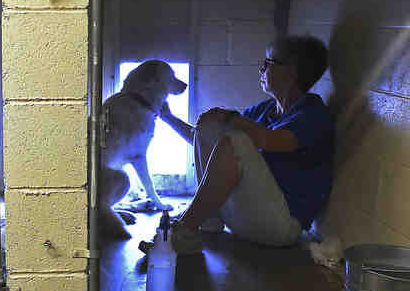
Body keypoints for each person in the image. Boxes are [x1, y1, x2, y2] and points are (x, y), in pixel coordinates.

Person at [143, 35, 334, 254]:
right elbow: (206, 139)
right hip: (251, 217)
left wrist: (230, 117)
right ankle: (208, 220)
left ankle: (185, 229)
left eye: (268, 63)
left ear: (291, 72)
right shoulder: (266, 110)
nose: (261, 69)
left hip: (281, 227)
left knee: (236, 139)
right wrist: (167, 117)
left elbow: (273, 141)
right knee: (210, 126)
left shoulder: (312, 113)